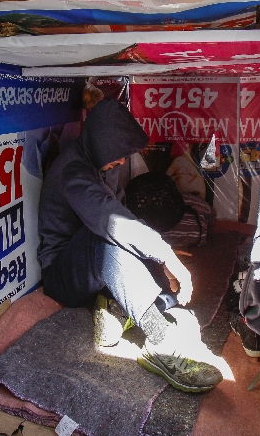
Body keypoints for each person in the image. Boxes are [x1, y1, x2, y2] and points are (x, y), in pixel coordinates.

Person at [37, 99, 222, 393]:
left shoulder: (102, 162)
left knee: (172, 267)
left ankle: (116, 309)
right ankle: (159, 343)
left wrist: (162, 259)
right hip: (63, 273)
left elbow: (126, 215)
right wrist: (164, 254)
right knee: (107, 235)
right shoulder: (72, 172)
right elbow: (113, 224)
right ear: (102, 143)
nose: (123, 162)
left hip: (98, 260)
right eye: (119, 154)